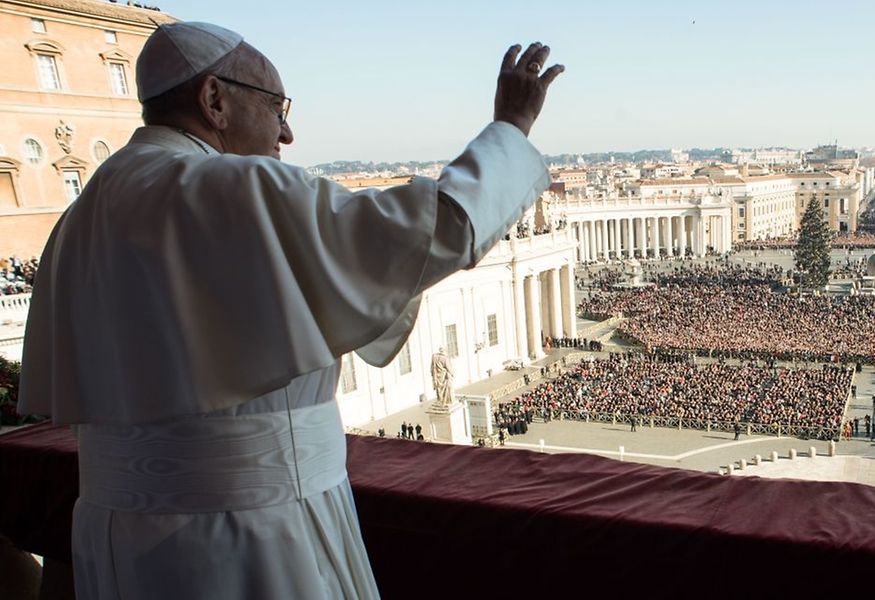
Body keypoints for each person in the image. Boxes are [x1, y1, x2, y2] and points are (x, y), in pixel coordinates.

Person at [17, 21, 564, 600]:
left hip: (117, 537)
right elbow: (432, 231)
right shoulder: (231, 188)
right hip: (248, 531)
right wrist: (511, 127)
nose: (289, 131)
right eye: (277, 107)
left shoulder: (80, 217)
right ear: (214, 100)